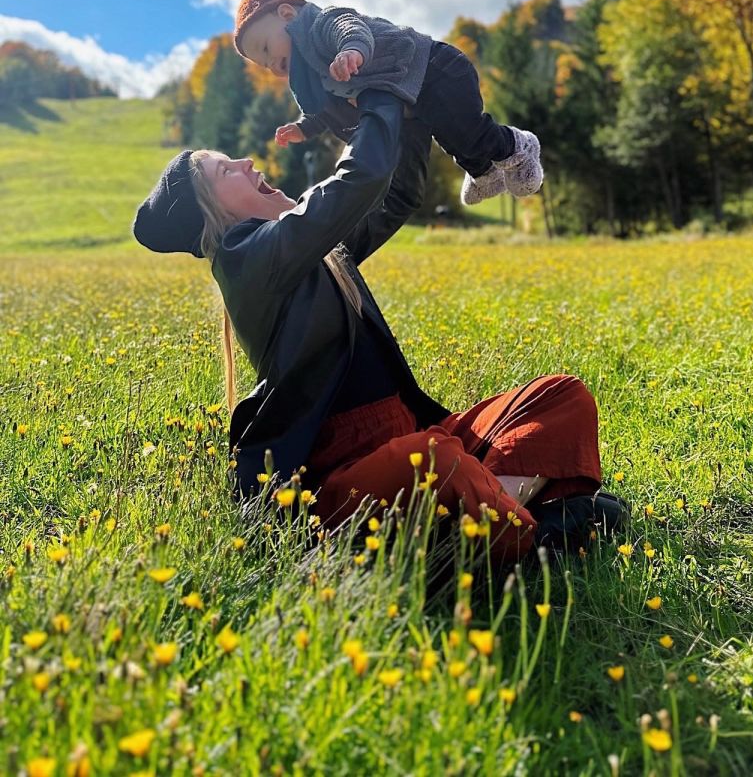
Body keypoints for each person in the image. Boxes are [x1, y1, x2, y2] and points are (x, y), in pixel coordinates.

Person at [133, 89, 625, 566]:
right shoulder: (244, 259)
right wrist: (381, 93)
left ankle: (482, 515)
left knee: (562, 397)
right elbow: (360, 179)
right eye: (226, 170)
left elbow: (397, 194)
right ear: (213, 214)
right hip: (348, 477)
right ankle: (539, 534)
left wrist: (412, 113)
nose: (246, 163)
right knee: (433, 460)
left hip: (410, 434)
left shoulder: (303, 245)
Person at [232, 0, 543, 207]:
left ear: (287, 14)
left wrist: (351, 51)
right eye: (263, 64)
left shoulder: (321, 24)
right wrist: (303, 128)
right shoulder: (311, 70)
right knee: (449, 135)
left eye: (265, 48)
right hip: (416, 93)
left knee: (467, 130)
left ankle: (518, 144)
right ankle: (484, 173)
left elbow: (351, 28)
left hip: (436, 68)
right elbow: (323, 108)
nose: (270, 64)